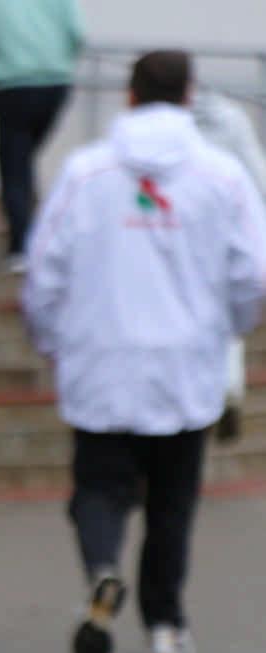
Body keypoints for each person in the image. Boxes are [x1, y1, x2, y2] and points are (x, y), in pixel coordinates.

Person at [22, 50, 266, 653]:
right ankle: (165, 626)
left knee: (98, 492)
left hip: (102, 362)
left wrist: (54, 339)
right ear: (188, 96)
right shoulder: (222, 176)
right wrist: (228, 331)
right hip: (186, 365)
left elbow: (44, 272)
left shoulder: (84, 173)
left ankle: (104, 569)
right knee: (172, 504)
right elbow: (253, 274)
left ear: (128, 96)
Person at [0, 0, 85, 272]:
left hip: (13, 85)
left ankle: (22, 247)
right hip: (56, 83)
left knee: (14, 167)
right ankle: (36, 235)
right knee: (25, 162)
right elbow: (77, 34)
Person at [191, 85, 266, 442]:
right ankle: (229, 387)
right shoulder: (233, 119)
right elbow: (256, 168)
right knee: (227, 317)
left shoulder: (172, 124)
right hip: (227, 229)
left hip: (182, 233)